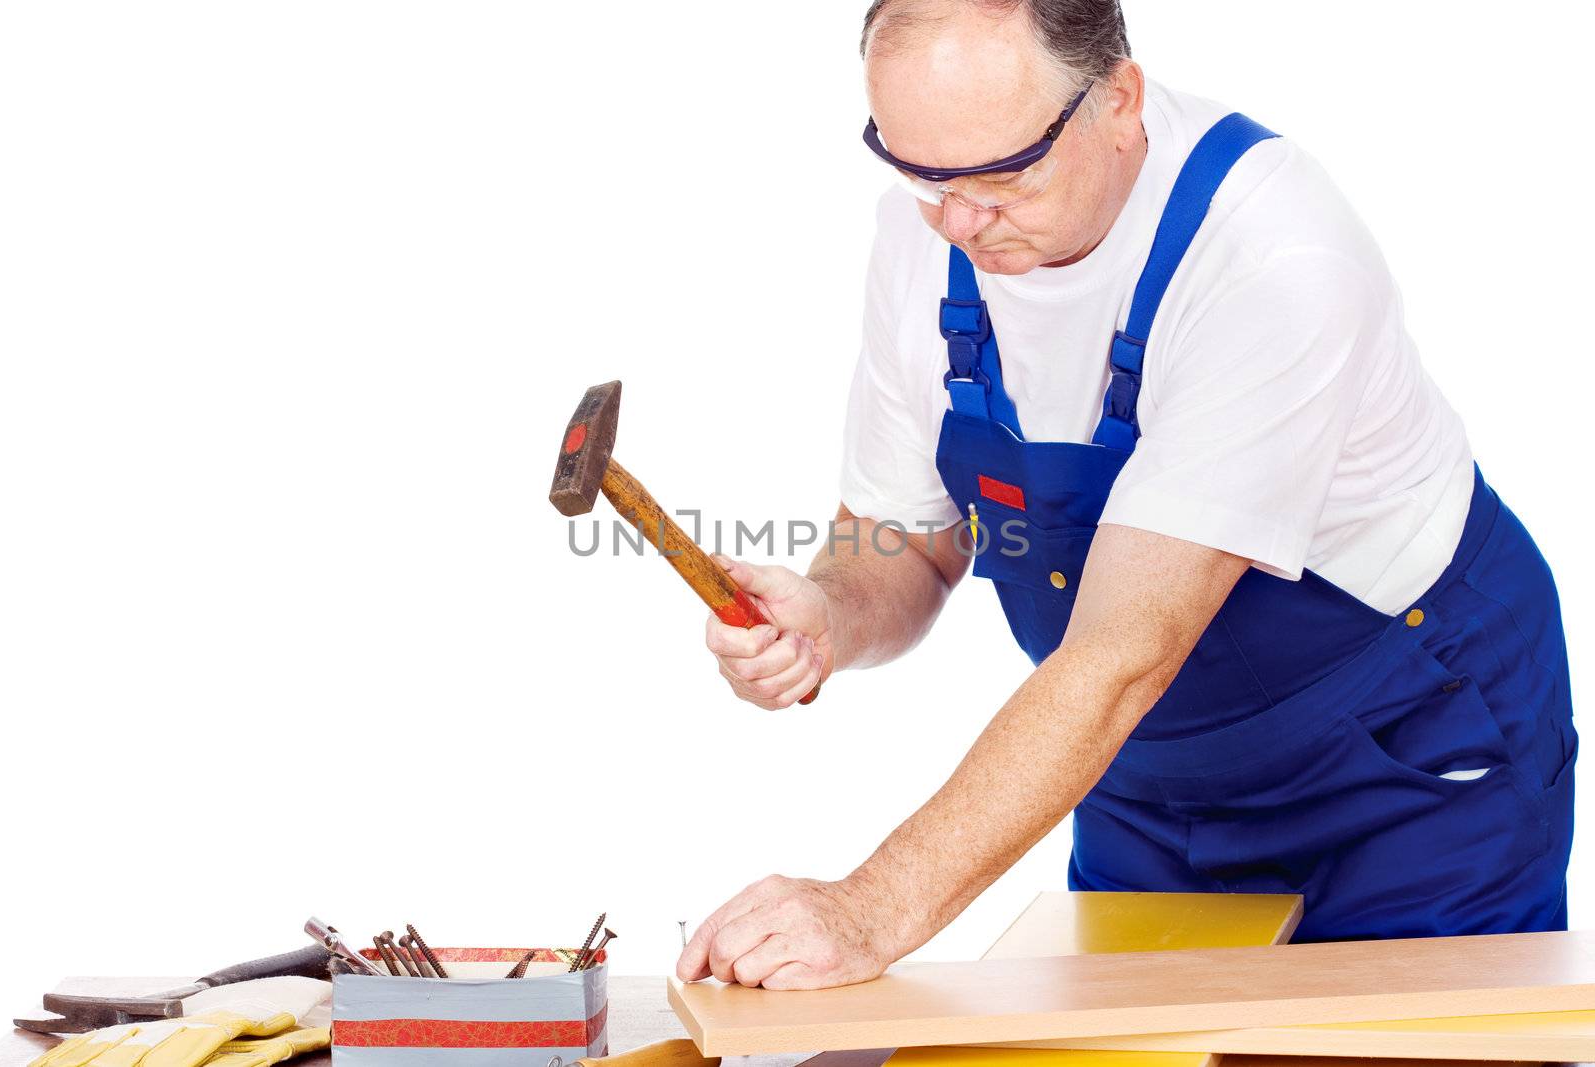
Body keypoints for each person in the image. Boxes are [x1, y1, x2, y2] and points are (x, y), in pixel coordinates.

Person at [674, 0, 1578, 991]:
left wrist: (871, 905)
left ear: (1117, 99)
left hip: (1403, 742)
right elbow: (905, 535)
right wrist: (831, 612)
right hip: (1143, 763)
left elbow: (1117, 652)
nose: (960, 219)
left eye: (1004, 172)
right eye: (920, 173)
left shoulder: (1269, 256)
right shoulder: (927, 228)